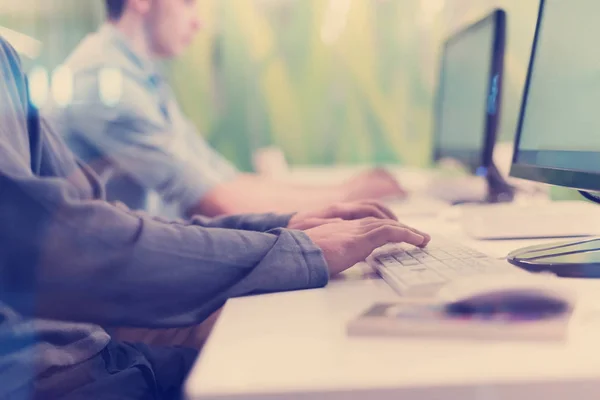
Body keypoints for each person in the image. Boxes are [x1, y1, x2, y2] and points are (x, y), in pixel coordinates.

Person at [0, 37, 429, 399]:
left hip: (94, 338)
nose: (198, 18)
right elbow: (65, 246)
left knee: (303, 338)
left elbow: (104, 217)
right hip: (61, 366)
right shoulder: (102, 79)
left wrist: (287, 224)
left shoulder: (16, 59)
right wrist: (301, 242)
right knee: (316, 353)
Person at [42, 0, 407, 220]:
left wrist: (346, 190)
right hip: (105, 309)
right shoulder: (105, 82)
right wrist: (346, 197)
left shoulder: (142, 77)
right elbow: (220, 203)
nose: (197, 21)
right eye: (187, 2)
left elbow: (224, 179)